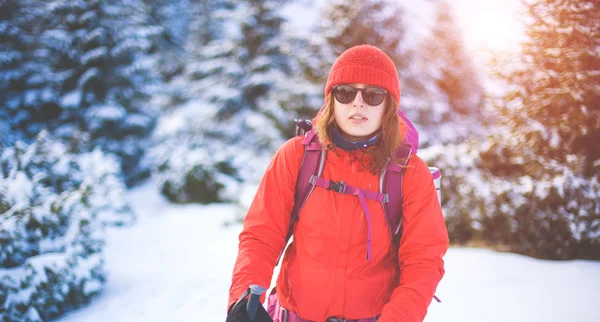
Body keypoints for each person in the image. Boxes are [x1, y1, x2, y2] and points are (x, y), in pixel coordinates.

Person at [226, 45, 449, 322]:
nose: (358, 103)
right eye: (345, 92)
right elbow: (261, 238)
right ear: (331, 100)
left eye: (373, 94)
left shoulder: (409, 173)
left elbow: (423, 261)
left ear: (389, 104)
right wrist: (244, 300)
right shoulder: (296, 157)